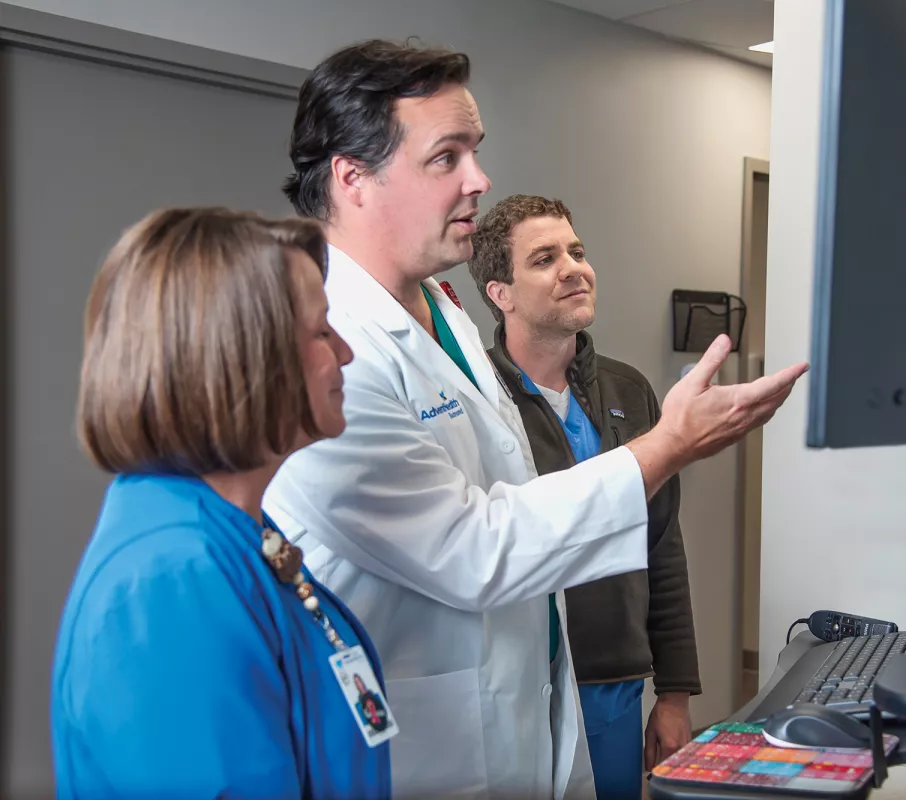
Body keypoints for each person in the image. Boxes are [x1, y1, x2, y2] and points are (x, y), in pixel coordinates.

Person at [264, 39, 808, 799]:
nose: (479, 179)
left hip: (532, 707)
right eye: (446, 157)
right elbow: (471, 546)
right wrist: (669, 445)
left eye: (475, 151)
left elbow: (529, 502)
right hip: (422, 747)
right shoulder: (322, 346)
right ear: (352, 177)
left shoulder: (441, 308)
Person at [51, 208, 391, 799]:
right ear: (240, 355)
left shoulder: (237, 533)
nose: (346, 353)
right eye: (321, 331)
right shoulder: (169, 582)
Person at [468, 194, 699, 798]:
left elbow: (661, 543)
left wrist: (674, 693)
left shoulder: (628, 389)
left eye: (577, 251)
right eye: (545, 259)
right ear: (500, 293)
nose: (573, 268)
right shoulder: (474, 399)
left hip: (613, 681)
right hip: (522, 683)